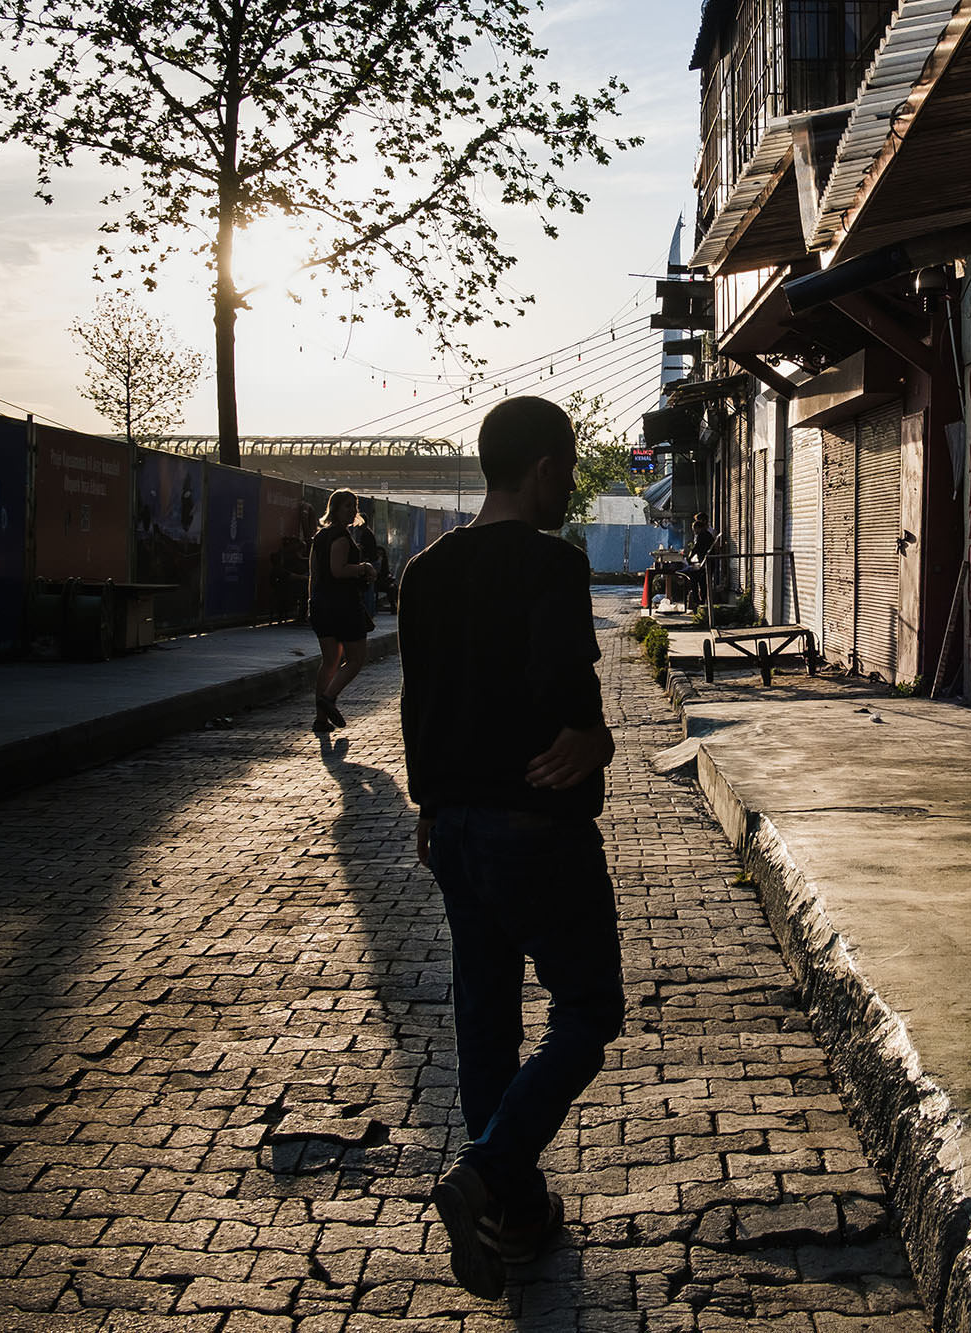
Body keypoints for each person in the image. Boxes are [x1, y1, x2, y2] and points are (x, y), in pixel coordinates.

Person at [397, 395, 623, 1299]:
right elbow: (568, 689)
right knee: (589, 1009)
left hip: (451, 828)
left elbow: (419, 703)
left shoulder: (422, 572)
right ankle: (489, 1172)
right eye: (567, 468)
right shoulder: (551, 566)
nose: (569, 483)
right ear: (542, 468)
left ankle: (516, 1214)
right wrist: (595, 737)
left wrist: (430, 804)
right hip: (535, 827)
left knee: (486, 1018)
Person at [307, 489, 377, 731]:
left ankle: (320, 719)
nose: (352, 511)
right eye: (347, 506)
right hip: (344, 606)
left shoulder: (320, 537)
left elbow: (314, 574)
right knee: (356, 659)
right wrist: (364, 567)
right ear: (334, 508)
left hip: (322, 604)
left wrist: (312, 601)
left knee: (329, 662)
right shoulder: (340, 537)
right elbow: (338, 570)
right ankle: (329, 698)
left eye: (354, 506)